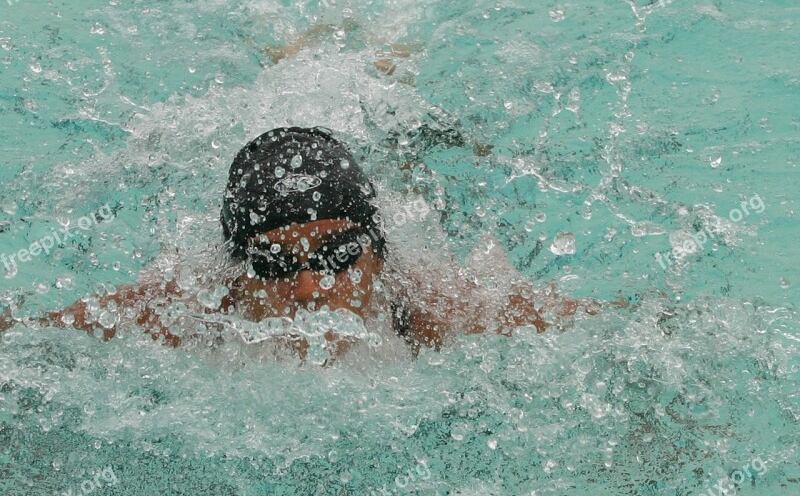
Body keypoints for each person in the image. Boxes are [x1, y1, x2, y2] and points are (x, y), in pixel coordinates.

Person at [0, 127, 598, 359]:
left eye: (339, 256)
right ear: (236, 270)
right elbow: (29, 337)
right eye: (274, 264)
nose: (311, 286)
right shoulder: (186, 307)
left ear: (377, 256)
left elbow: (634, 335)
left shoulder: (435, 306)